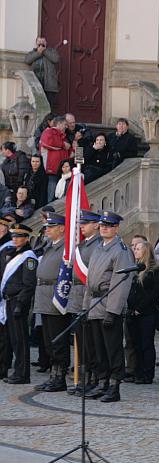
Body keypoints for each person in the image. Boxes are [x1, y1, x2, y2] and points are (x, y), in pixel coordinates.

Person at [84, 212, 135, 403]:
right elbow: (91, 280)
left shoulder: (120, 250)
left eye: (109, 225)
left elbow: (120, 283)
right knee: (98, 348)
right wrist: (85, 307)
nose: (104, 228)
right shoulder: (98, 248)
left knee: (112, 348)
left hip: (108, 304)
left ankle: (114, 385)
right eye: (102, 225)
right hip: (95, 303)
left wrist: (112, 311)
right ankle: (102, 381)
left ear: (116, 228)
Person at [32, 213, 70, 392]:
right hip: (43, 296)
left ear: (61, 228)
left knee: (57, 340)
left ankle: (59, 377)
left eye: (51, 226)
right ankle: (53, 375)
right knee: (48, 340)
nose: (47, 229)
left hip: (55, 297)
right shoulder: (48, 246)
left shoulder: (65, 248)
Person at [66, 211, 102, 395]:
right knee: (80, 340)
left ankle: (93, 379)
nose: (82, 226)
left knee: (91, 342)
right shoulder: (81, 245)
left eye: (86, 223)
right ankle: (83, 378)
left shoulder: (98, 245)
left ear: (96, 225)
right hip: (77, 295)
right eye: (81, 223)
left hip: (89, 296)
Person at [0, 224, 38, 384]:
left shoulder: (28, 257)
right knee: (12, 339)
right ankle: (16, 371)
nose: (15, 239)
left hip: (18, 302)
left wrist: (20, 304)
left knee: (20, 339)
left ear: (26, 238)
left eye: (19, 236)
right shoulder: (12, 252)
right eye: (13, 236)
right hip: (8, 300)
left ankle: (22, 374)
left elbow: (29, 284)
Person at [126, 241, 159, 385]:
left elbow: (154, 293)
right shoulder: (135, 268)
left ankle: (147, 374)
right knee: (135, 344)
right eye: (134, 248)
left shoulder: (155, 270)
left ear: (146, 251)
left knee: (146, 344)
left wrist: (139, 308)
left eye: (138, 248)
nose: (135, 250)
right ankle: (137, 372)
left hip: (147, 313)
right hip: (132, 313)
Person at [39, 116, 71, 201]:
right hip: (52, 167)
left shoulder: (62, 135)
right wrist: (63, 145)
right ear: (59, 124)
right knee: (52, 189)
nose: (66, 126)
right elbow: (47, 143)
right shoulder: (49, 131)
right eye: (65, 124)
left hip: (61, 168)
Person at [25, 37, 60, 108]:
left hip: (49, 85)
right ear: (36, 43)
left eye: (43, 41)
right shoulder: (32, 53)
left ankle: (48, 119)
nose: (41, 43)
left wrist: (44, 51)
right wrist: (38, 53)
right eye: (39, 42)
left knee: (49, 106)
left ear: (46, 43)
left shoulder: (52, 51)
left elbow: (56, 59)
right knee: (37, 105)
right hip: (36, 84)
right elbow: (27, 60)